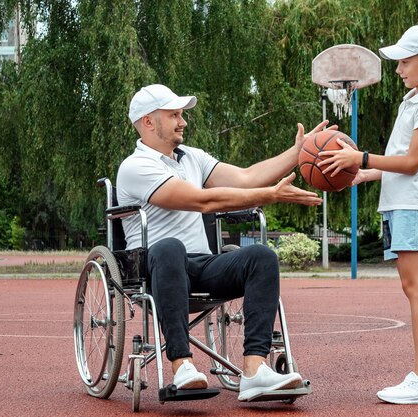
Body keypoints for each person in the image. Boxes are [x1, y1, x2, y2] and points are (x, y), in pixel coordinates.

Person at [116, 83, 327, 401]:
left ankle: (255, 371)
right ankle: (182, 365)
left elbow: (246, 177)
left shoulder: (192, 159)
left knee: (261, 256)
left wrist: (298, 153)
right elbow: (201, 201)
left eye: (182, 114)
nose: (183, 121)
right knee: (170, 246)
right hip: (155, 266)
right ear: (148, 121)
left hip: (201, 262)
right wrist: (270, 195)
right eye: (173, 114)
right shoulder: (135, 167)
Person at [318, 25, 418, 404]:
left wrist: (359, 157)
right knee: (415, 289)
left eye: (405, 61)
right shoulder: (414, 100)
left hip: (413, 202)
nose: (398, 69)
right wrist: (366, 173)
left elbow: (412, 162)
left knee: (416, 289)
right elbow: (401, 160)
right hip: (402, 202)